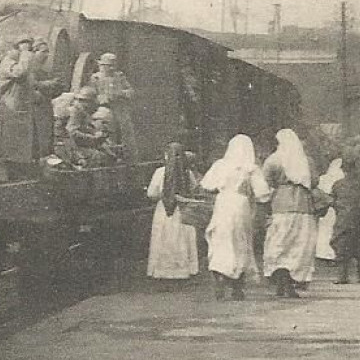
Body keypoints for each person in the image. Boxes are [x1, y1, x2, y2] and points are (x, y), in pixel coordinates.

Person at [200, 134, 270, 299]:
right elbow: (262, 194)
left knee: (221, 238)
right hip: (240, 204)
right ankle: (237, 286)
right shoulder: (250, 168)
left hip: (223, 203)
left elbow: (206, 185)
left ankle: (219, 273)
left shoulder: (220, 165)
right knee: (240, 241)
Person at [259, 128, 317, 298]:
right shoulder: (306, 161)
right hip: (303, 206)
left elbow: (266, 181)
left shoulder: (273, 160)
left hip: (280, 205)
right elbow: (314, 181)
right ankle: (292, 283)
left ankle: (280, 281)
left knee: (280, 244)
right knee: (298, 246)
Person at [0, 37, 55, 180]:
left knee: (24, 150)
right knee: (10, 151)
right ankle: (4, 177)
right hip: (10, 112)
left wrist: (39, 96)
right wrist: (25, 53)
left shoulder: (22, 63)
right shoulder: (8, 62)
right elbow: (20, 73)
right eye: (26, 47)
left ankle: (23, 176)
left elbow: (28, 87)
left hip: (22, 113)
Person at [146, 142, 202, 280]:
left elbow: (151, 193)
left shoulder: (160, 172)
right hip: (182, 210)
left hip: (164, 210)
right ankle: (183, 271)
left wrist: (165, 195)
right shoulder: (187, 173)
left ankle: (163, 272)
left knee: (164, 238)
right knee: (182, 239)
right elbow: (194, 189)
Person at [329, 148, 360, 284]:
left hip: (344, 220)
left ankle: (342, 276)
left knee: (342, 247)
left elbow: (332, 201)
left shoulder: (338, 184)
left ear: (344, 170)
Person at [88, 52, 138, 160]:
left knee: (125, 132)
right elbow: (90, 94)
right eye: (108, 65)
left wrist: (121, 93)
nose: (111, 68)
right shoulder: (95, 78)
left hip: (120, 109)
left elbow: (131, 91)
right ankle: (109, 156)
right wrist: (102, 98)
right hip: (103, 110)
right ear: (102, 65)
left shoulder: (119, 76)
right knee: (106, 133)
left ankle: (127, 156)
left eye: (113, 65)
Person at [314, 154, 346, 261]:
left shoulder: (323, 179)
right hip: (332, 207)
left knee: (324, 229)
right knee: (329, 229)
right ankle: (330, 252)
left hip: (327, 206)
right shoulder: (341, 180)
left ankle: (322, 252)